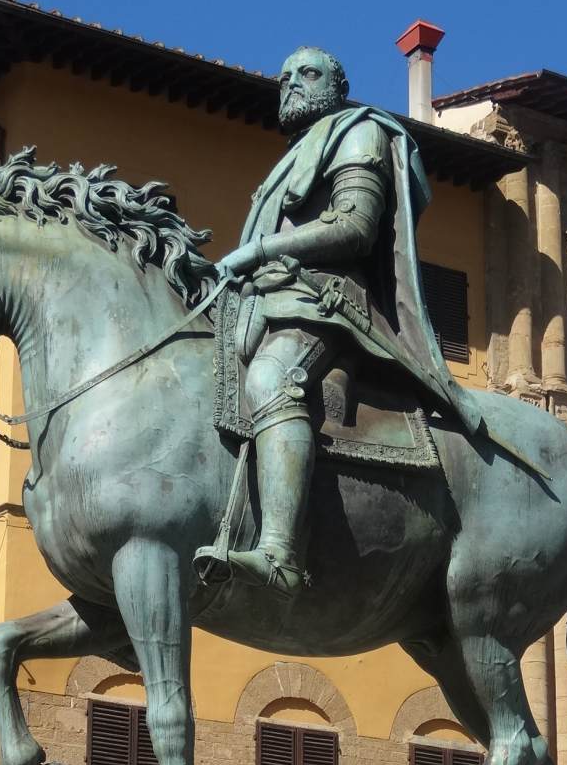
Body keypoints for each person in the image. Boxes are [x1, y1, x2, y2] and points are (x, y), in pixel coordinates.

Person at [198, 45, 492, 597]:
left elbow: (355, 227)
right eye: (284, 76)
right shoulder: (292, 156)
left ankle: (281, 552)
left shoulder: (359, 132)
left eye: (307, 74)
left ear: (338, 85)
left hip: (326, 303)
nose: (291, 83)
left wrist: (259, 249)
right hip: (271, 300)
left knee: (271, 381)